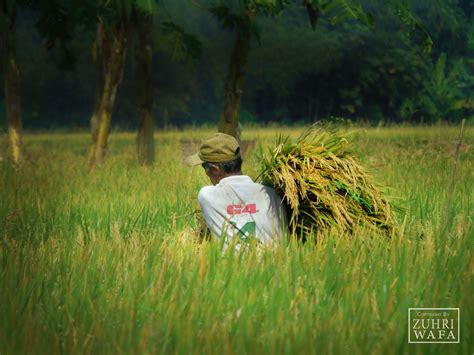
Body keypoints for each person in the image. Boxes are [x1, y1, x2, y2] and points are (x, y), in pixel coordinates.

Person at [186, 133, 286, 247]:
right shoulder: (272, 194)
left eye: (204, 168)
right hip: (277, 262)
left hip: (232, 264)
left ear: (215, 170)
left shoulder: (207, 195)